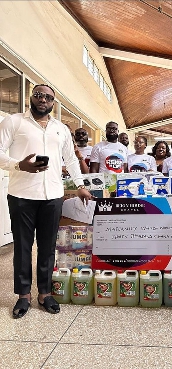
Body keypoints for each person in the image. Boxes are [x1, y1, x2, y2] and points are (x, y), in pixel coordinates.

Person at [0, 84, 92, 318]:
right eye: (39, 95)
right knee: (22, 247)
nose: (43, 100)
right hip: (21, 195)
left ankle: (44, 293)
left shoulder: (60, 129)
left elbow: (71, 160)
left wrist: (80, 185)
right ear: (32, 97)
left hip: (52, 196)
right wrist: (19, 165)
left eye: (48, 97)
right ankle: (23, 296)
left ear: (53, 102)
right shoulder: (14, 122)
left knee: (48, 246)